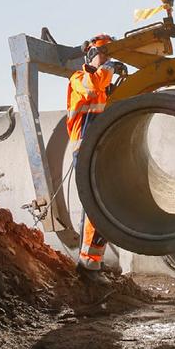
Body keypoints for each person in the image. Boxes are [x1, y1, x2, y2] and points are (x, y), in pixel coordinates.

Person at [66, 33, 123, 275]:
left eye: (112, 55)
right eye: (105, 54)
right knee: (96, 205)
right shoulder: (79, 79)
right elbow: (93, 86)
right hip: (86, 151)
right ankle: (88, 264)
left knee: (105, 205)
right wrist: (109, 69)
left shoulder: (106, 84)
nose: (109, 59)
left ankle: (92, 262)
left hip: (103, 151)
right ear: (90, 54)